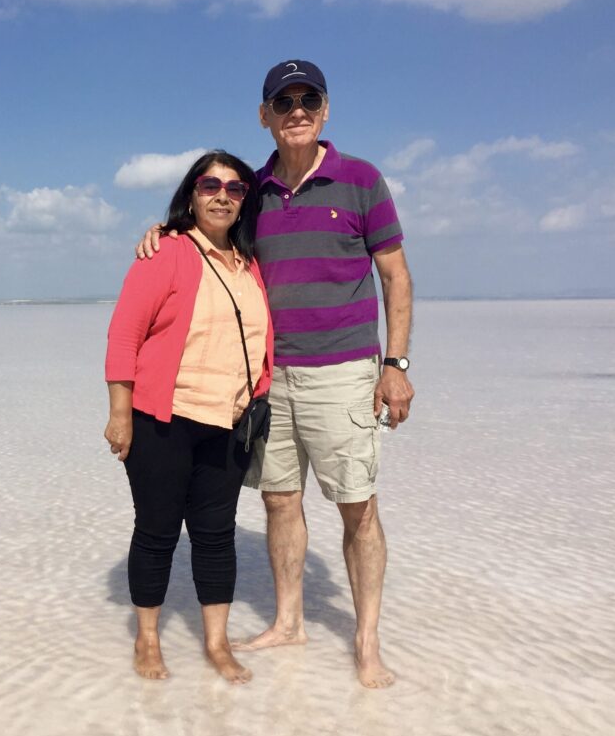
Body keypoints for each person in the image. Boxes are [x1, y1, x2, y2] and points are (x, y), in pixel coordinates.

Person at [136, 60, 414, 688]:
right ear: (264, 115)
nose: (297, 110)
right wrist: (160, 231)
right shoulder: (252, 191)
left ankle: (367, 640)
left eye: (308, 98)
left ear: (325, 109)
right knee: (280, 500)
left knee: (358, 507)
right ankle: (289, 622)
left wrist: (395, 365)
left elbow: (395, 276)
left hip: (343, 371)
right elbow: (207, 233)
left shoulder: (362, 180)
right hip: (268, 379)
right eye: (283, 102)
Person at [105, 151, 275, 684]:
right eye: (210, 185)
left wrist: (258, 393)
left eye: (235, 188)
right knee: (157, 532)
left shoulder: (250, 265)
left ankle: (217, 643)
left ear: (245, 200)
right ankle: (148, 639)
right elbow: (124, 335)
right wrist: (119, 414)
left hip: (229, 423)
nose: (222, 195)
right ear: (192, 194)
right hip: (164, 420)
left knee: (216, 535)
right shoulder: (167, 252)